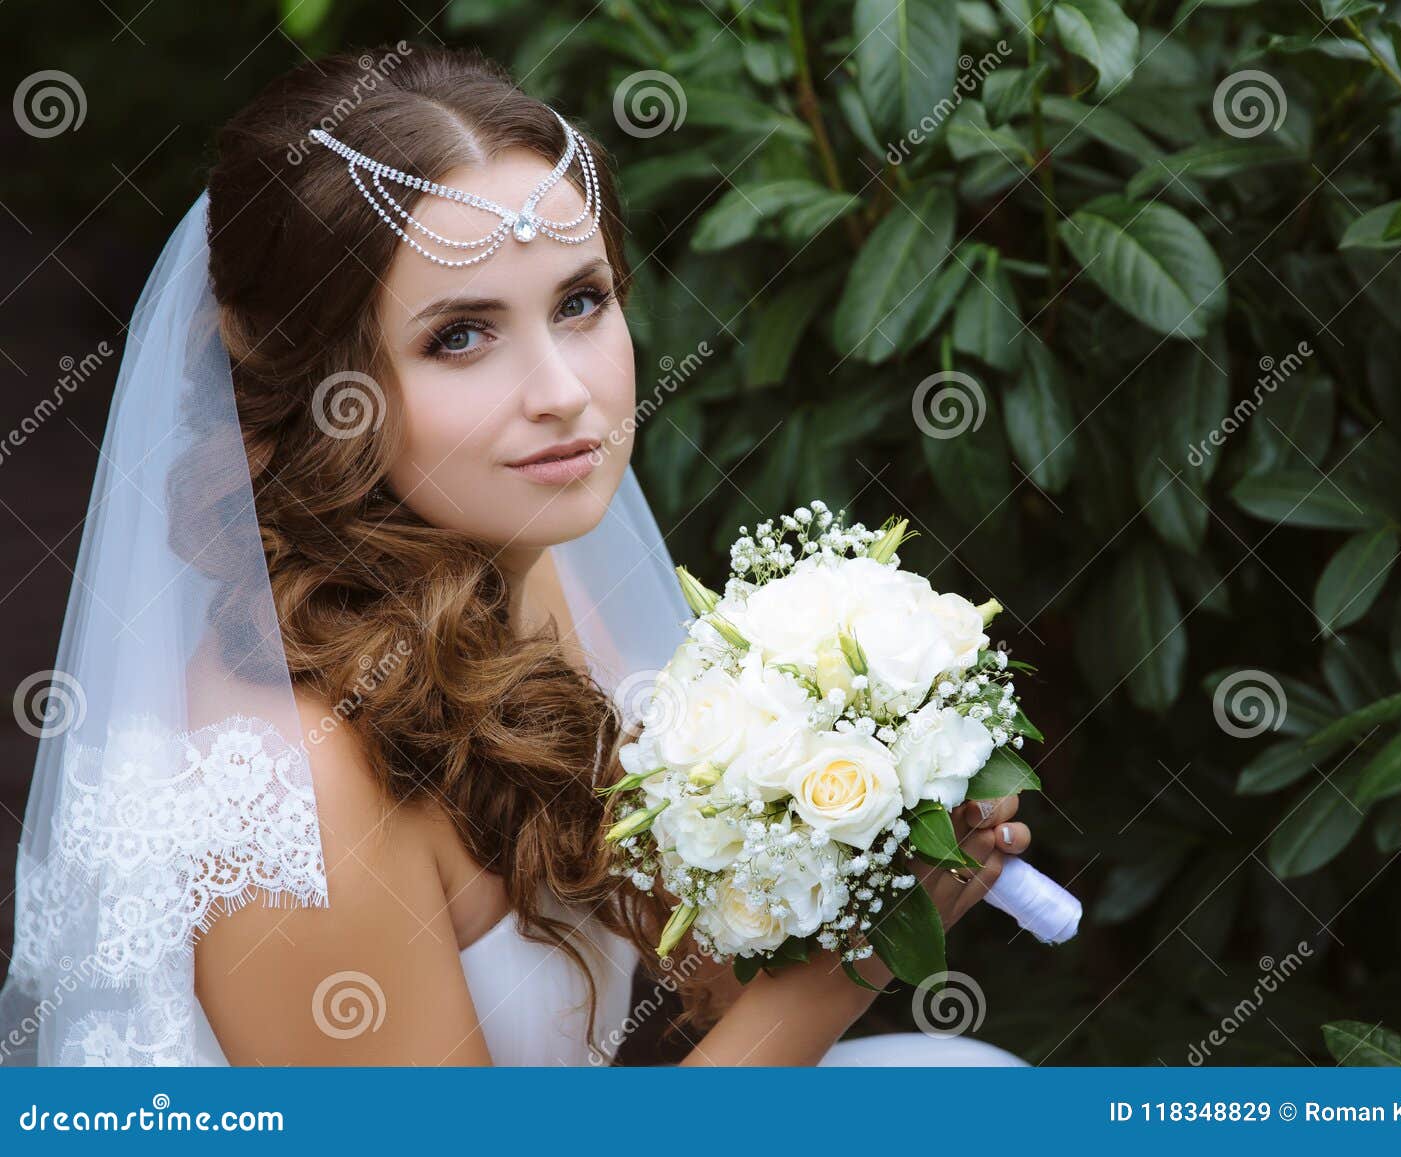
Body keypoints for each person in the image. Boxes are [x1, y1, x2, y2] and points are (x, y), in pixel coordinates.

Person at [0, 43, 1032, 1067]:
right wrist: (835, 982)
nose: (562, 392)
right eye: (459, 335)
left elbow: (687, 984)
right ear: (311, 377)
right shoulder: (284, 787)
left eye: (580, 301)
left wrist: (859, 825)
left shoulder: (549, 569)